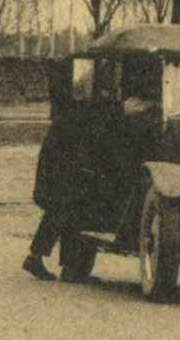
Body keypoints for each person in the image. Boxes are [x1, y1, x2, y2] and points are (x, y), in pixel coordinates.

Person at [25, 89, 119, 281]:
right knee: (63, 209)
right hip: (63, 164)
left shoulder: (74, 106)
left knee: (69, 210)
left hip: (63, 163)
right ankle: (39, 258)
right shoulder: (78, 111)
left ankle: (68, 267)